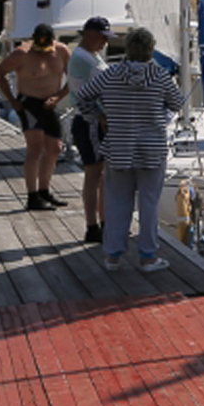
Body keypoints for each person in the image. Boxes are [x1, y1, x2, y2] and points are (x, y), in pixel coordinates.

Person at [72, 26, 183, 273]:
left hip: (118, 146)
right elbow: (177, 103)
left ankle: (113, 256)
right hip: (151, 149)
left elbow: (82, 98)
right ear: (151, 50)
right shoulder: (160, 76)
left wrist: (99, 115)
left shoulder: (110, 75)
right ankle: (147, 256)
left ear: (127, 48)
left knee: (116, 202)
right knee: (149, 204)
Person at [0, 23, 71, 211]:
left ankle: (44, 190)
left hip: (50, 103)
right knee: (35, 147)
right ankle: (32, 196)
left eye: (46, 48)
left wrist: (58, 97)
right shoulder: (21, 54)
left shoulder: (62, 52)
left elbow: (73, 79)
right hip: (29, 103)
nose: (42, 52)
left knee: (55, 149)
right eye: (39, 47)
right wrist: (11, 100)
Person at [65, 16, 114, 243]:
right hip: (90, 122)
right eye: (103, 38)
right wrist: (100, 114)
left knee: (102, 176)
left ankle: (104, 223)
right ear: (90, 35)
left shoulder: (90, 56)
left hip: (96, 122)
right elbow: (82, 94)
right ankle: (93, 226)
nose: (105, 43)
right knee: (94, 175)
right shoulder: (81, 58)